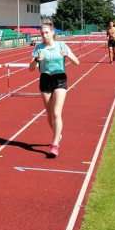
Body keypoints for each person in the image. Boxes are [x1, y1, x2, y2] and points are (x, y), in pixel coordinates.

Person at [29, 22, 79, 157]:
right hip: (45, 79)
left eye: (46, 33)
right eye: (42, 34)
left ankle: (55, 143)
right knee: (50, 115)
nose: (44, 36)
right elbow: (31, 68)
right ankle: (58, 133)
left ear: (52, 33)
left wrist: (67, 55)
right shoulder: (39, 48)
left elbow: (77, 62)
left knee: (57, 113)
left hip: (60, 79)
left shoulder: (62, 46)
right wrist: (36, 60)